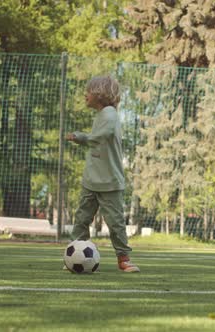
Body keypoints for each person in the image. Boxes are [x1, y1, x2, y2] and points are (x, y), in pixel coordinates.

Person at [65, 75, 140, 273]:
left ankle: (123, 258)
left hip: (109, 181)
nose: (85, 95)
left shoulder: (110, 114)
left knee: (115, 223)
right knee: (82, 219)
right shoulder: (100, 115)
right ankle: (74, 255)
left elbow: (101, 137)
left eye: (88, 91)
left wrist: (81, 137)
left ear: (100, 94)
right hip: (91, 179)